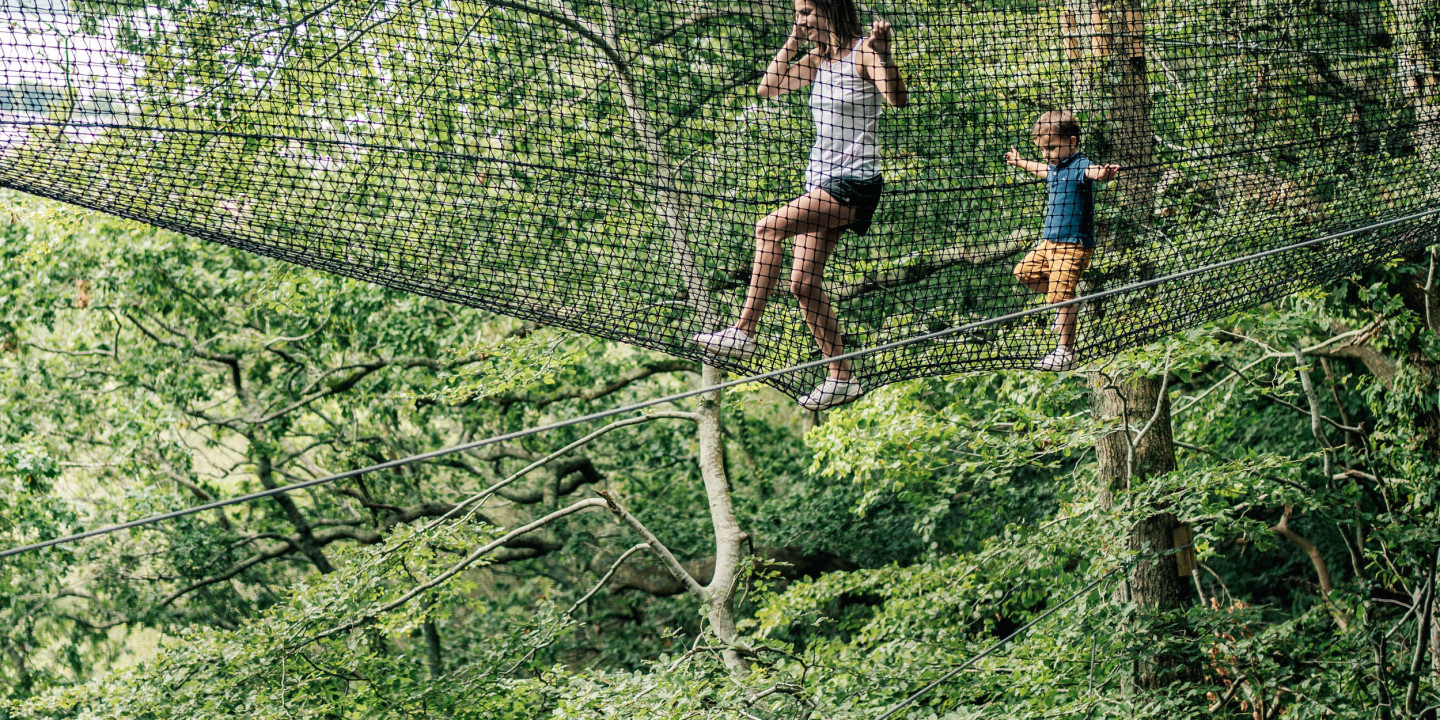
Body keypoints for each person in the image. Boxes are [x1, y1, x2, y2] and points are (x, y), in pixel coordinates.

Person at [693, 0, 908, 411]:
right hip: (820, 181)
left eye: (807, 11)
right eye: (797, 13)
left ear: (830, 9)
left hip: (853, 183)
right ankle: (841, 377)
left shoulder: (863, 51)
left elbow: (897, 99)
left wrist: (885, 56)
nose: (801, 18)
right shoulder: (817, 60)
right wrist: (794, 40)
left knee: (767, 227)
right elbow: (767, 88)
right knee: (802, 285)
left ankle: (743, 331)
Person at [1005, 110, 1120, 372]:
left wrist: (1103, 175)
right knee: (1024, 273)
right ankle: (1068, 301)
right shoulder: (1056, 168)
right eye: (1042, 149)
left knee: (1059, 297)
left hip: (1073, 245)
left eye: (1051, 147)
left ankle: (1065, 352)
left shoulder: (1079, 166)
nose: (1046, 154)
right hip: (1048, 244)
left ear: (1072, 141)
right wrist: (1020, 161)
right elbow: (1043, 170)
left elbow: (1092, 172)